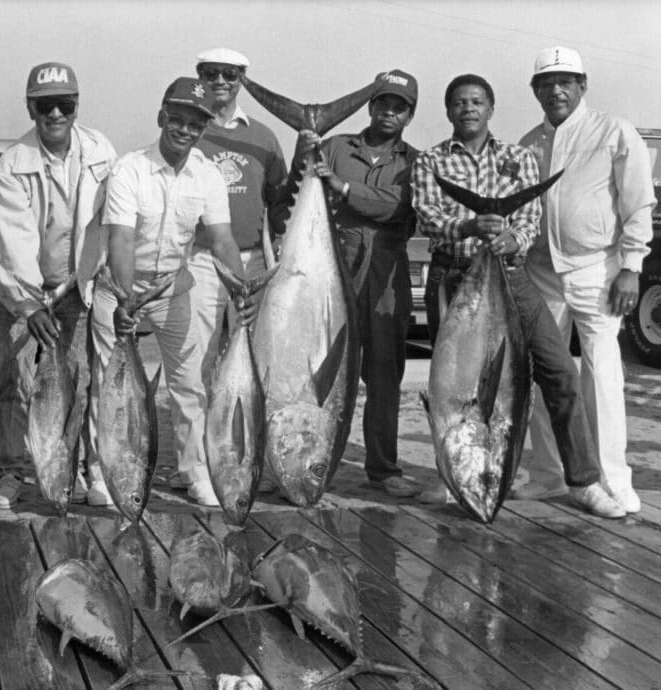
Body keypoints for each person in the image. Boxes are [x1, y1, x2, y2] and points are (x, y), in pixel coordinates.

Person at [410, 73, 625, 519]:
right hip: (453, 275)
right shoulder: (429, 160)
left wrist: (510, 238)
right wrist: (470, 226)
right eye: (459, 103)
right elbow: (429, 217)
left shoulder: (519, 157)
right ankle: (452, 477)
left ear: (491, 109)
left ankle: (584, 481)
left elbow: (530, 218)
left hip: (511, 274)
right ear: (448, 111)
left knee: (560, 372)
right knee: (448, 386)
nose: (468, 109)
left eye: (477, 102)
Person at [90, 77, 256, 507]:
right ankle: (101, 471)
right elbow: (121, 241)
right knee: (107, 386)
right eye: (177, 120)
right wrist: (126, 301)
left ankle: (194, 471)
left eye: (194, 125)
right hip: (121, 287)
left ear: (203, 129)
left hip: (173, 287)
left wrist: (240, 290)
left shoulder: (208, 173)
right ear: (162, 117)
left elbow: (221, 239)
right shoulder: (129, 168)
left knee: (190, 385)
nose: (184, 130)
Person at [518, 47, 655, 514]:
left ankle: (613, 478)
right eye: (546, 83)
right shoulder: (529, 142)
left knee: (601, 373)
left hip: (597, 269)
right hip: (541, 271)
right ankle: (549, 475)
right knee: (543, 375)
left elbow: (638, 204)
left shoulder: (615, 131)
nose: (556, 90)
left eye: (566, 81)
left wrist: (632, 267)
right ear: (535, 90)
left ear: (583, 85)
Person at [0, 61, 117, 509]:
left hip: (76, 290)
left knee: (78, 382)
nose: (56, 114)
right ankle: (10, 471)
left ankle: (74, 468)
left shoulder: (101, 150)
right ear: (31, 108)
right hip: (27, 294)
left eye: (65, 104)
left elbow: (108, 220)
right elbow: (15, 238)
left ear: (77, 106)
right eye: (46, 105)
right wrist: (29, 303)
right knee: (14, 384)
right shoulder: (12, 164)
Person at [290, 70, 421, 498]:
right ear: (370, 107)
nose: (389, 111)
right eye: (382, 103)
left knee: (384, 373)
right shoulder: (335, 146)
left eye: (398, 106)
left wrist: (342, 186)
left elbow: (398, 207)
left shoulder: (416, 162)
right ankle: (312, 460)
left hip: (386, 273)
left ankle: (382, 470)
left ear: (409, 114)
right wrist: (303, 149)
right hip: (333, 266)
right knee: (321, 366)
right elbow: (299, 186)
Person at [184, 47, 289, 495]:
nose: (220, 81)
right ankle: (194, 465)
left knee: (259, 362)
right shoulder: (190, 128)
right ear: (200, 77)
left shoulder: (264, 137)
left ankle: (255, 460)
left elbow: (280, 199)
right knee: (198, 363)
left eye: (230, 74)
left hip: (252, 260)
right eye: (211, 73)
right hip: (202, 259)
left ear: (243, 78)